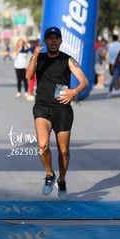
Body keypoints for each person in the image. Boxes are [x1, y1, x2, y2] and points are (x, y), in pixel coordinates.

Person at [25, 26, 88, 201]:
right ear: (45, 41)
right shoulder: (40, 58)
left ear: (60, 41)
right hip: (42, 107)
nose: (53, 41)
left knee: (64, 152)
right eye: (50, 38)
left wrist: (73, 92)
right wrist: (35, 56)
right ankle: (49, 174)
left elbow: (84, 81)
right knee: (43, 145)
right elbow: (28, 76)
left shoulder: (67, 60)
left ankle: (61, 180)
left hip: (62, 109)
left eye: (56, 38)